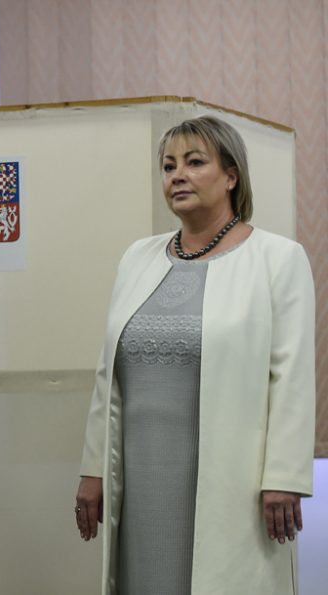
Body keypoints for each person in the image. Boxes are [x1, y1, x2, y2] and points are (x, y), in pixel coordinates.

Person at [74, 115, 315, 594]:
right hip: (141, 483)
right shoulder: (137, 258)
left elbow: (291, 376)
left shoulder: (276, 259)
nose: (176, 175)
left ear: (231, 175)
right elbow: (109, 373)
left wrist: (285, 475)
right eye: (168, 166)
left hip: (235, 484)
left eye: (194, 162)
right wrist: (93, 467)